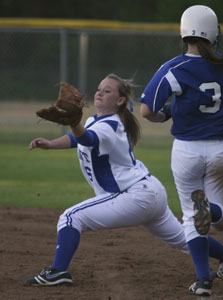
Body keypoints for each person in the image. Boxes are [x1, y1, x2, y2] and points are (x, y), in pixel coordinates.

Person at [139, 5, 223, 297]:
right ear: (213, 33)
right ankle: (209, 211)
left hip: (186, 151)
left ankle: (203, 280)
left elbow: (146, 111)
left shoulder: (172, 68)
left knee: (190, 218)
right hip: (221, 150)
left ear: (184, 32)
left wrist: (166, 115)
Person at [25, 73, 191, 286]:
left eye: (107, 91)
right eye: (99, 88)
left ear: (120, 100)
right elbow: (79, 139)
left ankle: (58, 271)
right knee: (186, 241)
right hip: (148, 191)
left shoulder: (110, 125)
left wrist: (74, 122)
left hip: (134, 195)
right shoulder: (95, 120)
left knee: (70, 217)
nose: (99, 92)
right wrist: (51, 143)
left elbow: (88, 138)